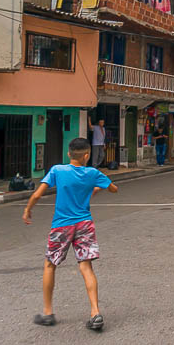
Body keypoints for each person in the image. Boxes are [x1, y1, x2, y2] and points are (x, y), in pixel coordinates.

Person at [22, 138, 118, 330]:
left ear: (68, 154)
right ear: (87, 155)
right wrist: (96, 187)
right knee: (86, 266)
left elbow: (37, 194)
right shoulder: (93, 173)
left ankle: (48, 313)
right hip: (84, 224)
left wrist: (28, 210)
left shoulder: (57, 170)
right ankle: (95, 312)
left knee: (50, 265)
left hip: (62, 225)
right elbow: (114, 189)